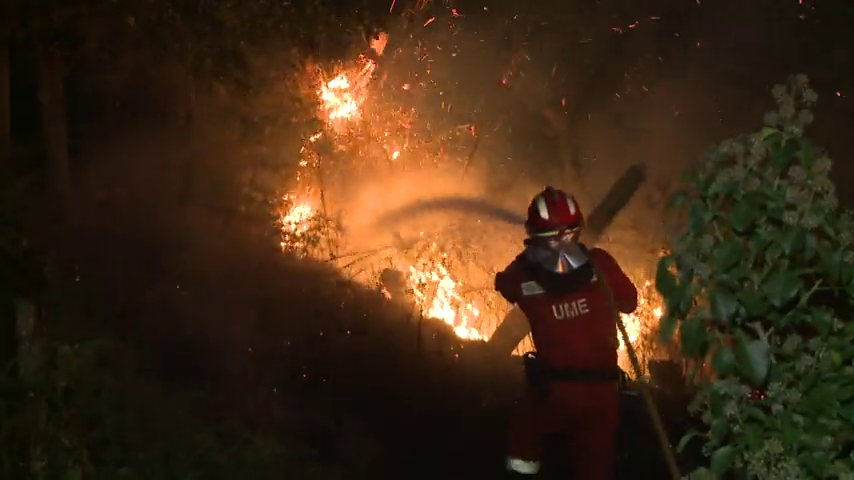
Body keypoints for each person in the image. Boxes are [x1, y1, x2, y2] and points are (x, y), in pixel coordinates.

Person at [494, 186, 638, 479]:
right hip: (603, 395)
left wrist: (533, 259)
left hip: (553, 395)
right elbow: (630, 302)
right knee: (595, 468)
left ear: (534, 234)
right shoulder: (601, 264)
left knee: (525, 440)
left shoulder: (523, 277)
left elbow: (504, 284)